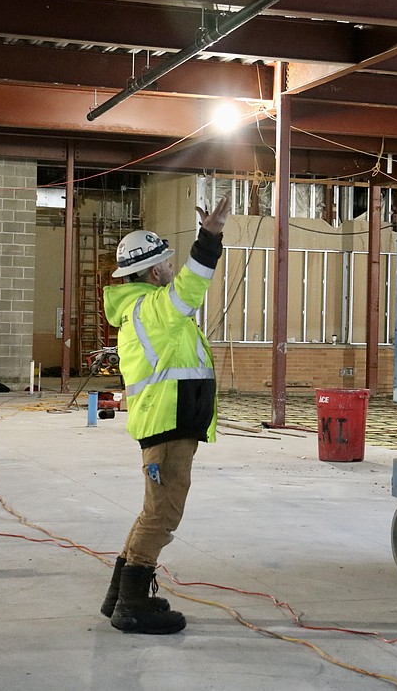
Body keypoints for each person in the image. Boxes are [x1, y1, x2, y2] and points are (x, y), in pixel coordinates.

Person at [100, 195, 231, 635]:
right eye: (168, 266)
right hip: (167, 424)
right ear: (155, 271)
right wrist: (209, 238)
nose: (173, 271)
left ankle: (120, 595)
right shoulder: (153, 308)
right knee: (162, 515)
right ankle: (132, 606)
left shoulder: (140, 309)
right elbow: (191, 287)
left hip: (167, 422)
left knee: (152, 512)